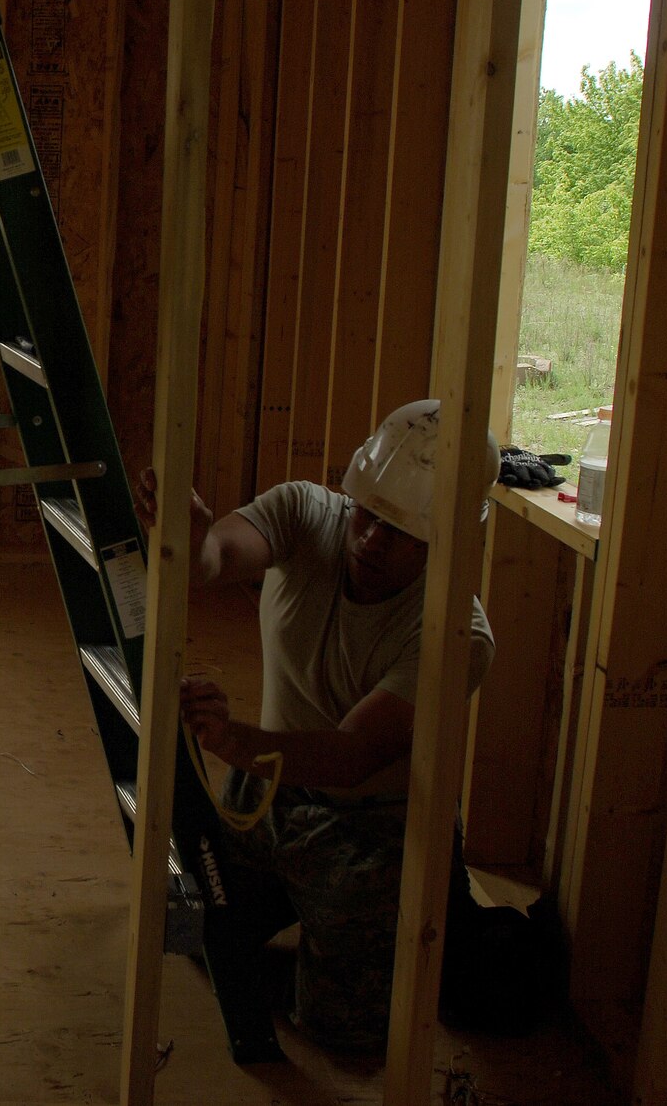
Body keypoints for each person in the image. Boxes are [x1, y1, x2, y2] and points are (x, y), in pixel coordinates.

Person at [168, 399, 496, 1055]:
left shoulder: (455, 631)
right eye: (370, 513)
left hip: (374, 831)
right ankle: (301, 911)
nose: (372, 538)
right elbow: (217, 556)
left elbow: (351, 756)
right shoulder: (306, 512)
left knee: (344, 1032)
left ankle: (346, 933)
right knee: (185, 927)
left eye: (400, 532)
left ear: (446, 539)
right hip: (271, 794)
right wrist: (193, 539)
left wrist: (234, 741)